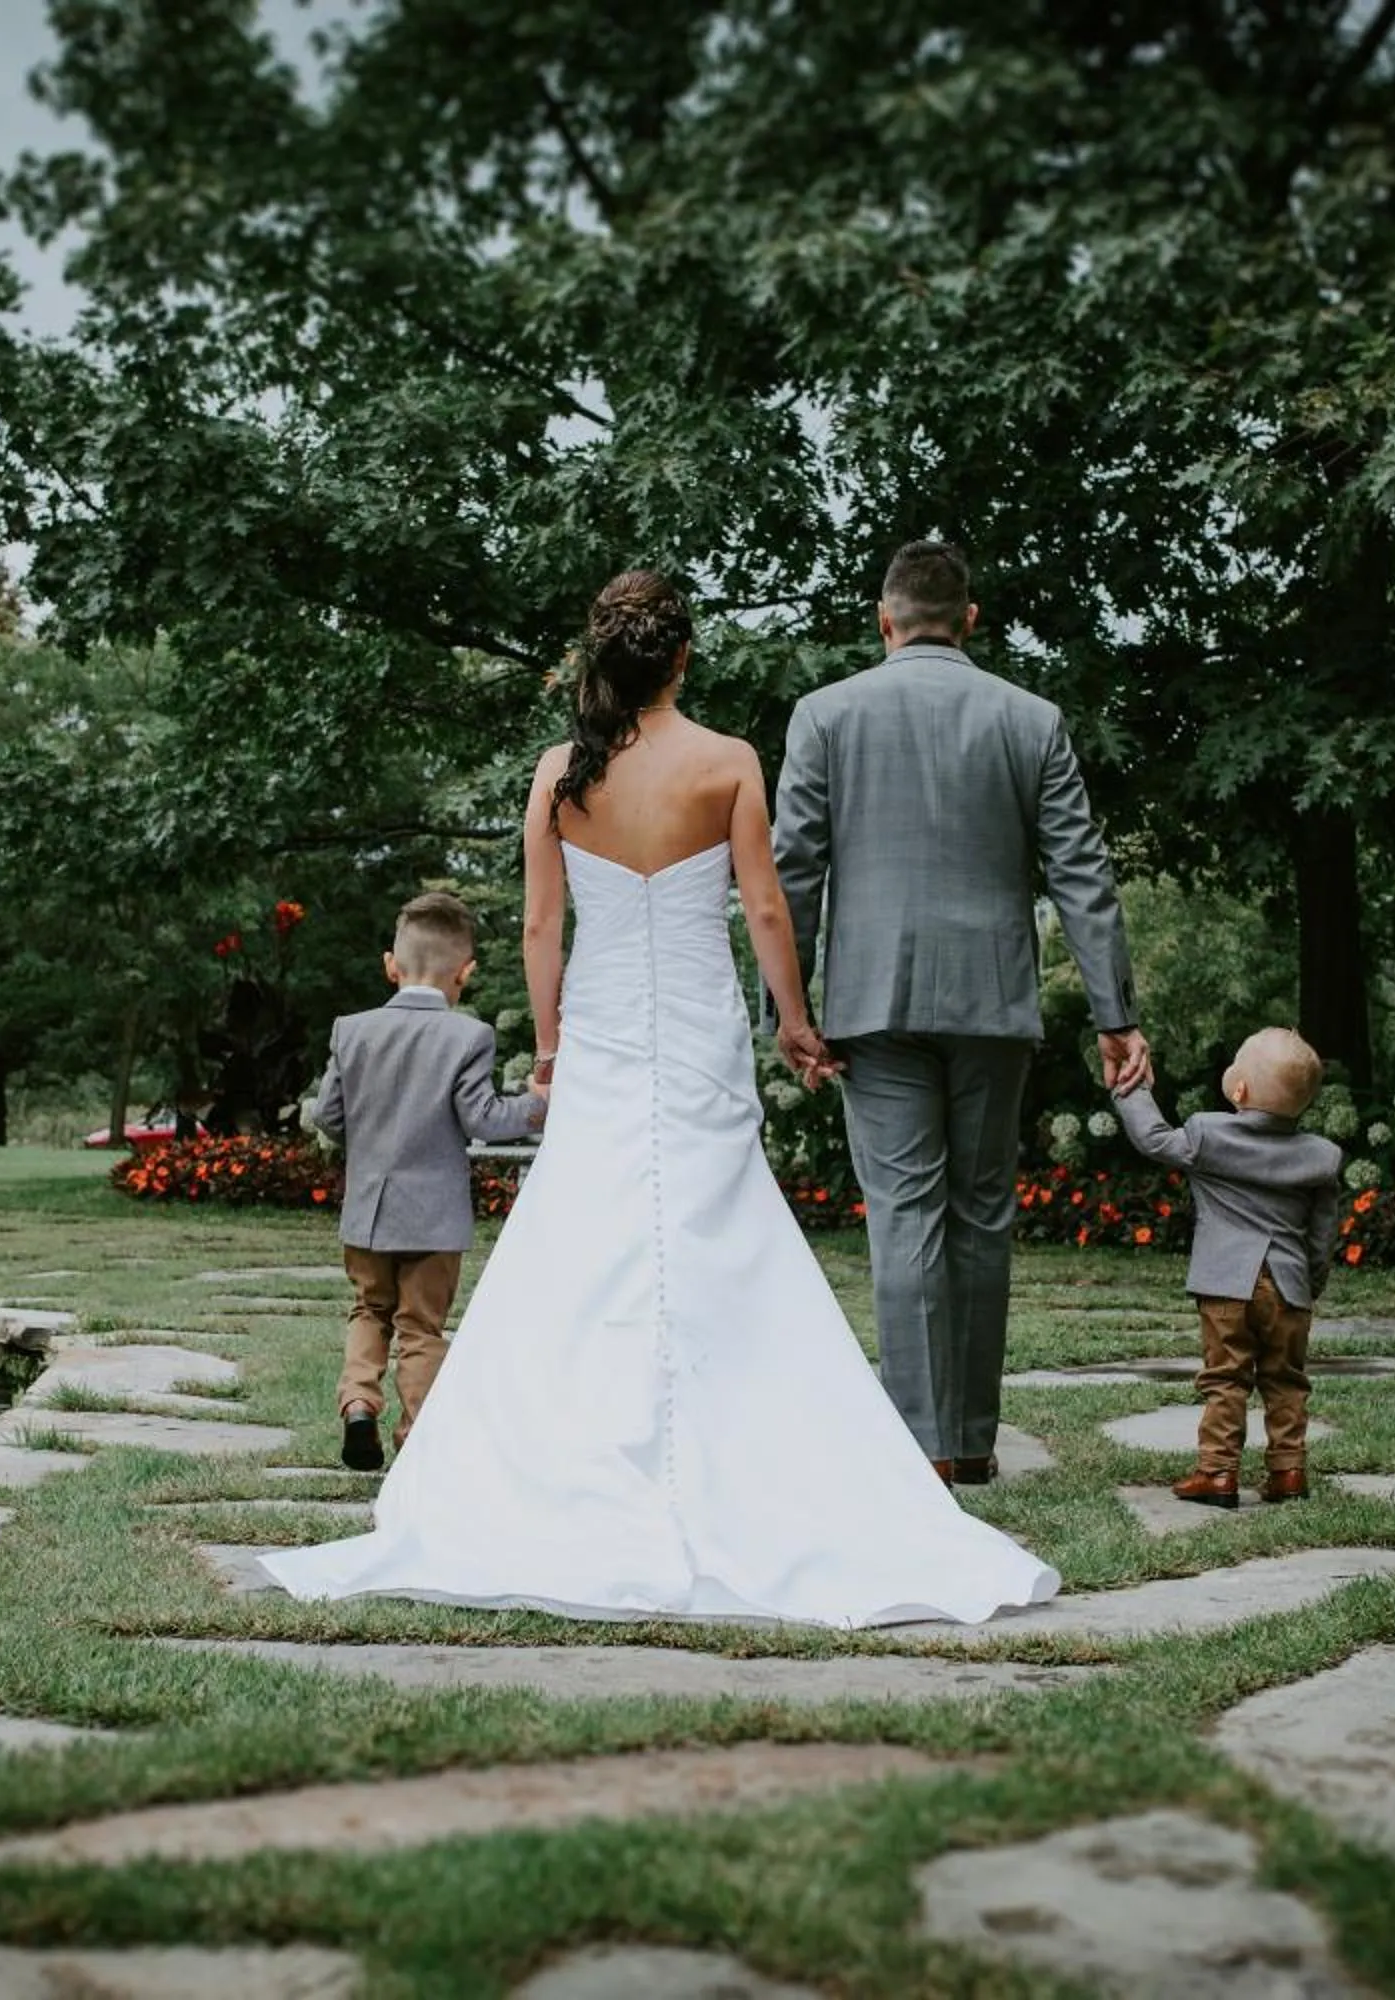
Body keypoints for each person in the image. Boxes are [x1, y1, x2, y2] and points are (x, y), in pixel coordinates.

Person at [262, 570, 1056, 1627]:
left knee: (583, 1233)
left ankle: (564, 1451)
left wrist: (548, 1047)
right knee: (716, 1221)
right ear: (682, 659)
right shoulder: (728, 761)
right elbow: (766, 908)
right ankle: (757, 1453)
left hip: (600, 1029)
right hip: (695, 1027)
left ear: (604, 659)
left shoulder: (559, 771)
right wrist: (794, 1017)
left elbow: (543, 931)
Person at [774, 540, 1150, 1485]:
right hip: (992, 1000)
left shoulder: (825, 717)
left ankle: (921, 1446)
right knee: (981, 1214)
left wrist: (786, 1008)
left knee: (904, 1214)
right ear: (971, 619)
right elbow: (1082, 875)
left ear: (884, 618)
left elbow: (792, 875)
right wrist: (1115, 1015)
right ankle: (974, 1439)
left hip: (874, 1001)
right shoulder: (1030, 720)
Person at [303, 892, 546, 1470]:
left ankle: (360, 1402)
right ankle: (417, 1438)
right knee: (421, 1327)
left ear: (392, 965)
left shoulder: (351, 1031)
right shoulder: (468, 1037)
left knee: (368, 1309)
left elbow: (328, 1118)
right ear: (466, 973)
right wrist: (537, 1105)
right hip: (434, 1219)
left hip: (367, 1212)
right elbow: (484, 1119)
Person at [1112, 1028, 1344, 1508]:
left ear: (1238, 1090)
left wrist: (1130, 1089)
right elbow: (1323, 1233)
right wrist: (1311, 1282)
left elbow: (1154, 1139)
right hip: (1289, 1289)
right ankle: (1288, 1471)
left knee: (1226, 1379)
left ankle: (1217, 1473)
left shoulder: (1209, 1135)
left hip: (1226, 1288)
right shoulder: (1320, 1157)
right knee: (1286, 1381)